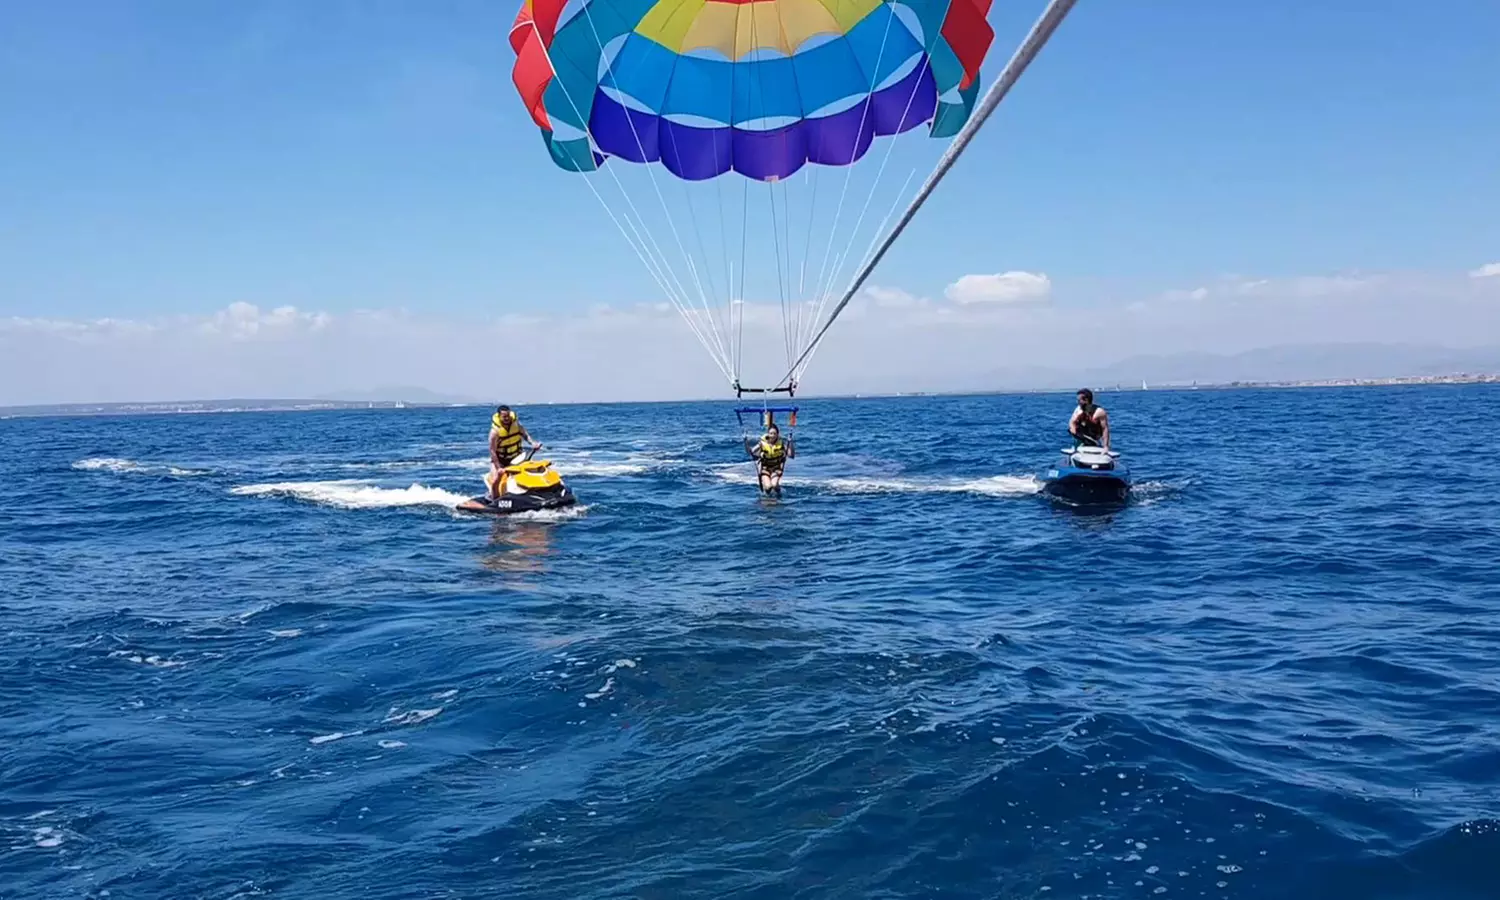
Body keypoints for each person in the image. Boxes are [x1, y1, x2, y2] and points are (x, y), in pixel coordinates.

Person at [485, 405, 542, 501]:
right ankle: (495, 501)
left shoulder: (516, 425)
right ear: (499, 416)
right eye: (504, 416)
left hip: (516, 457)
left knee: (531, 472)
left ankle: (535, 494)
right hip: (500, 460)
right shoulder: (494, 432)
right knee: (496, 479)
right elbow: (492, 451)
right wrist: (499, 468)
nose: (507, 418)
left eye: (508, 416)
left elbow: (525, 435)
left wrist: (533, 443)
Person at [746, 422, 793, 494]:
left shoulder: (781, 444)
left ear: (777, 434)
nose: (773, 436)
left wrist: (790, 442)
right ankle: (768, 500)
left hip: (776, 469)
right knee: (768, 487)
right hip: (765, 468)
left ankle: (778, 494)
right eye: (771, 433)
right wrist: (746, 442)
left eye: (774, 433)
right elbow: (750, 452)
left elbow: (791, 455)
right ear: (768, 434)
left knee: (774, 485)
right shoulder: (762, 443)